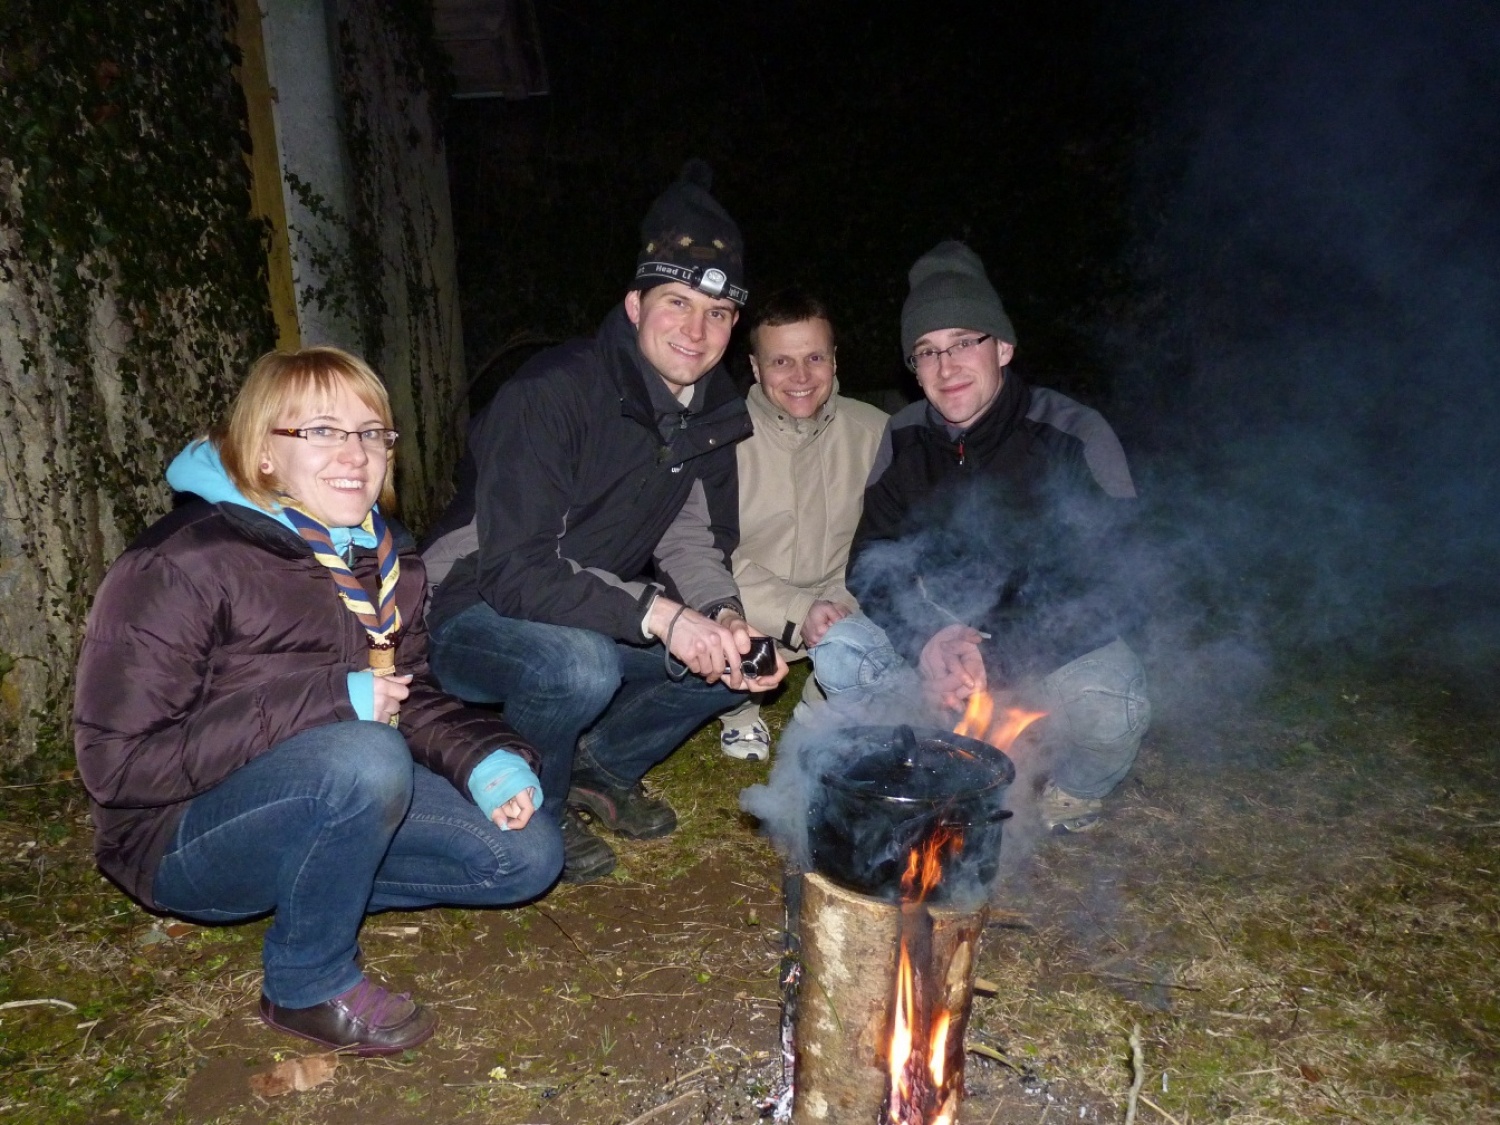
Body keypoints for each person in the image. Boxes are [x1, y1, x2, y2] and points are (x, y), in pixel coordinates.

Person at [74, 347, 563, 1058]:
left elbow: (405, 691)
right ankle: (306, 980)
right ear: (263, 453)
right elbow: (117, 768)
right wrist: (332, 699)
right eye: (322, 431)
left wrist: (486, 759)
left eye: (372, 433)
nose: (355, 453)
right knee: (364, 755)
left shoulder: (387, 557)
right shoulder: (182, 562)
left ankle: (319, 889)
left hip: (328, 788)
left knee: (525, 854)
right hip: (177, 834)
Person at [422, 161, 788, 881]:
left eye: (718, 313)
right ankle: (539, 798)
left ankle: (601, 767)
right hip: (470, 605)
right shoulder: (552, 394)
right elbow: (517, 570)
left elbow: (692, 536)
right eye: (677, 302)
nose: (697, 330)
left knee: (729, 659)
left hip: (582, 603)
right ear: (634, 305)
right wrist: (663, 616)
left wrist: (721, 616)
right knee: (577, 665)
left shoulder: (711, 413)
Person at [810, 241, 1151, 833]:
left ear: (1004, 348)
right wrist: (925, 641)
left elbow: (1119, 581)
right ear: (914, 368)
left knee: (1113, 707)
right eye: (927, 351)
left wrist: (999, 654)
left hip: (1045, 640)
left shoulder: (1072, 433)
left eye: (964, 342)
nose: (946, 367)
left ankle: (1073, 787)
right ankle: (922, 749)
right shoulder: (904, 435)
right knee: (840, 650)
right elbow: (869, 559)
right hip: (939, 635)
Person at [717, 288, 888, 761]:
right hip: (751, 604)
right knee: (707, 615)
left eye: (814, 357)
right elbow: (707, 557)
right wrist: (797, 609)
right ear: (755, 368)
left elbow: (889, 537)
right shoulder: (718, 441)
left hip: (841, 603)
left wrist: (840, 602)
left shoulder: (876, 432)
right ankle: (738, 710)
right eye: (781, 362)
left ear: (834, 359)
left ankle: (822, 704)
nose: (801, 377)